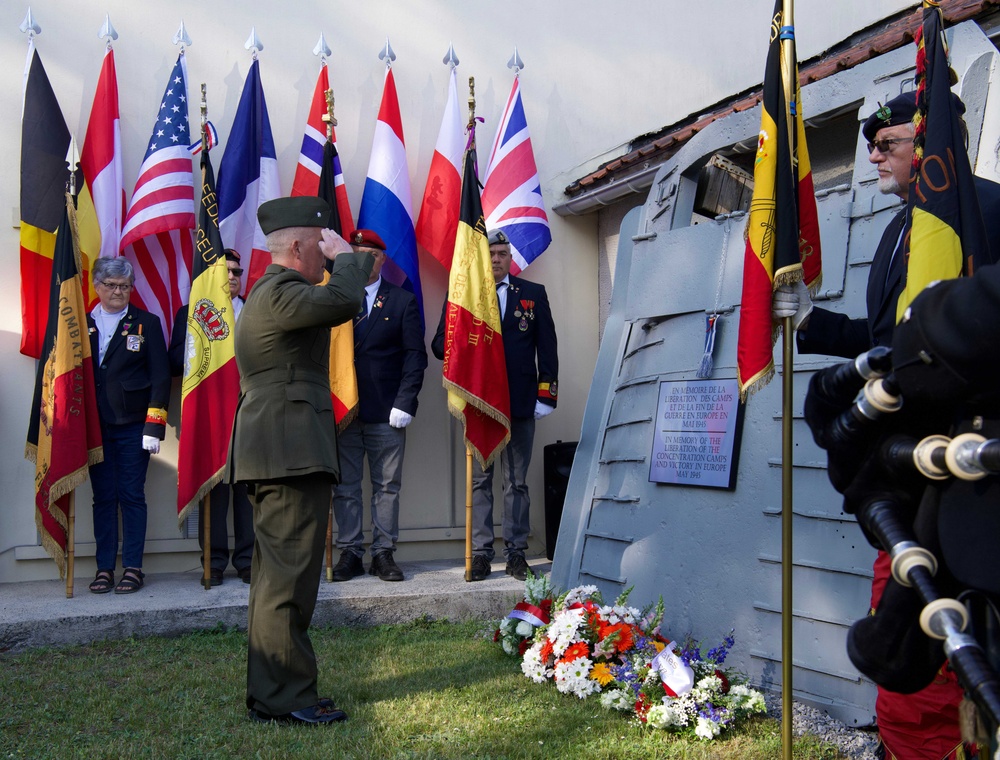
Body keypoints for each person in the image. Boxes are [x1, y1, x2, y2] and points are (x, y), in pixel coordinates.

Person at [775, 92, 1000, 760]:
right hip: (903, 468)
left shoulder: (985, 211)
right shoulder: (903, 226)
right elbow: (895, 339)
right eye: (870, 145)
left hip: (961, 478)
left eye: (887, 144)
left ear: (931, 147)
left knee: (937, 672)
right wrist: (812, 321)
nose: (873, 156)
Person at [226, 196, 372, 726]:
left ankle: (273, 693)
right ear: (295, 247)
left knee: (275, 578)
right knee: (288, 579)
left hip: (279, 451)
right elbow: (344, 299)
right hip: (288, 453)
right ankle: (287, 697)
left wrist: (337, 258)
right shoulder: (281, 291)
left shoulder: (271, 293)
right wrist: (348, 257)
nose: (326, 252)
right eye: (320, 243)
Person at [431, 229, 558, 582]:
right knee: (480, 481)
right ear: (481, 259)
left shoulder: (532, 294)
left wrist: (546, 395)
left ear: (510, 258)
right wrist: (461, 335)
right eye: (491, 254)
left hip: (520, 401)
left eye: (502, 253)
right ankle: (482, 554)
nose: (497, 259)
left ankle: (516, 553)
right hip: (480, 403)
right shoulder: (463, 296)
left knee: (516, 482)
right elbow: (440, 345)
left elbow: (547, 348)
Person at [330, 229, 427, 583]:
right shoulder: (335, 299)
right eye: (356, 253)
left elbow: (415, 357)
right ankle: (351, 552)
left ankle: (383, 552)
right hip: (344, 412)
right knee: (345, 487)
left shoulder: (401, 301)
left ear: (382, 259)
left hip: (387, 412)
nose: (364, 260)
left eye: (370, 255)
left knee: (387, 486)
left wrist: (405, 402)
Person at [86, 256, 170, 596]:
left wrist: (154, 426)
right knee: (104, 497)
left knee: (132, 495)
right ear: (97, 286)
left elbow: (160, 378)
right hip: (94, 427)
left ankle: (133, 567)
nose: (118, 292)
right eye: (111, 285)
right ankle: (104, 567)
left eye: (125, 286)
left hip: (134, 425)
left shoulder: (146, 323)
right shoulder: (82, 323)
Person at [169, 250, 253, 586]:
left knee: (248, 492)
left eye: (237, 272)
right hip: (211, 413)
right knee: (214, 490)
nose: (232, 277)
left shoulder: (255, 309)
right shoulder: (191, 312)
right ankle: (214, 561)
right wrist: (200, 342)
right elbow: (174, 360)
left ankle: (247, 560)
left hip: (250, 412)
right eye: (225, 271)